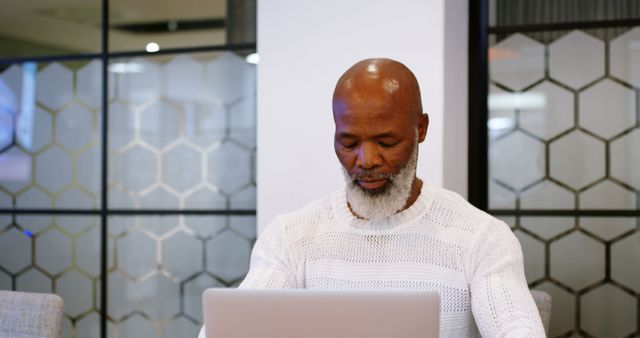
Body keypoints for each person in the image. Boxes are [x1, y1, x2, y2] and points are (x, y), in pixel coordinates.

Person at [198, 58, 545, 337]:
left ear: (420, 129)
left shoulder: (480, 238)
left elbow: (517, 329)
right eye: (349, 144)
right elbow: (232, 327)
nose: (366, 161)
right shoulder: (292, 236)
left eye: (386, 142)